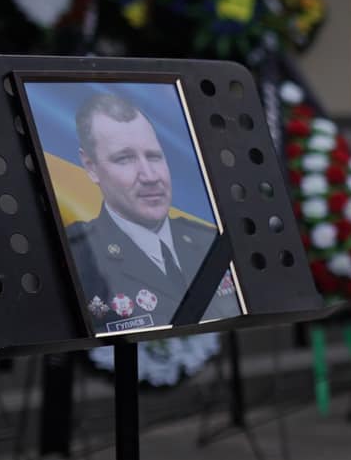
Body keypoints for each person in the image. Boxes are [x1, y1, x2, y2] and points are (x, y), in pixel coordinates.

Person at [66, 90, 238, 333]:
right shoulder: (77, 257)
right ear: (91, 167)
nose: (149, 176)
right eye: (124, 159)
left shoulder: (209, 241)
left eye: (154, 156)